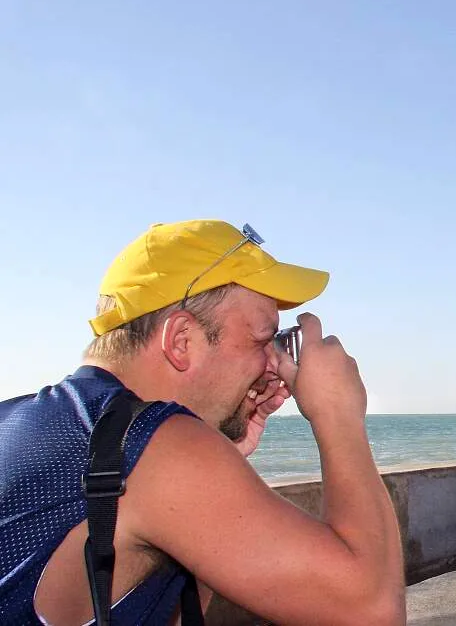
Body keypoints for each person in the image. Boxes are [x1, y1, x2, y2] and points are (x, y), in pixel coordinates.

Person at [0, 220, 406, 624]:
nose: (274, 366)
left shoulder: (35, 420)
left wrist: (220, 453)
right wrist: (339, 414)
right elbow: (372, 611)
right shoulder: (153, 443)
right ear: (182, 341)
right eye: (263, 340)